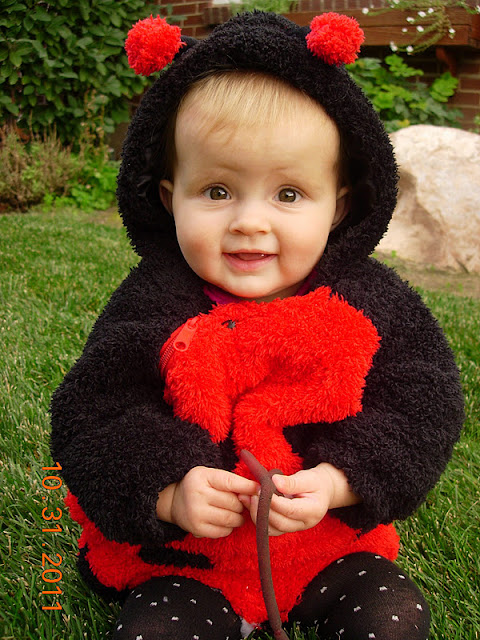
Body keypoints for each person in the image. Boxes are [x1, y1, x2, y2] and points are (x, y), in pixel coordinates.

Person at [50, 11, 464, 640]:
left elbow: (423, 403)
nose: (249, 221)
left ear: (338, 207)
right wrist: (169, 492)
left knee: (392, 619)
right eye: (217, 191)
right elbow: (93, 415)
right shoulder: (149, 307)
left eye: (288, 195)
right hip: (189, 562)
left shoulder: (377, 305)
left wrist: (338, 481)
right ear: (168, 197)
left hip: (325, 550)